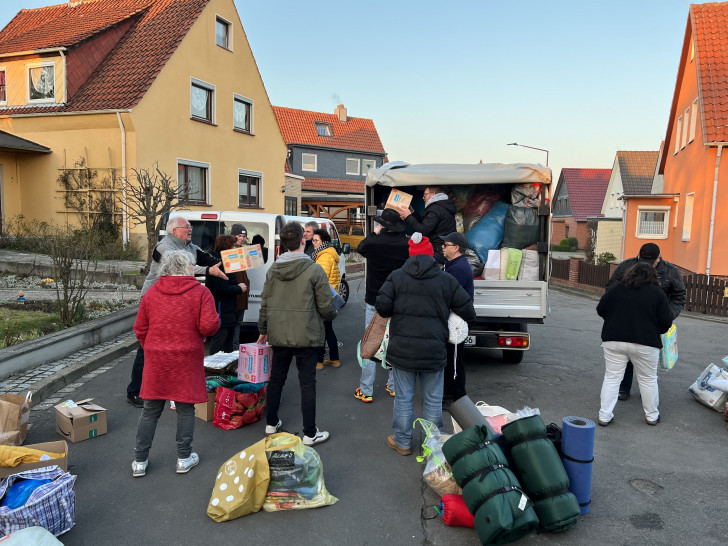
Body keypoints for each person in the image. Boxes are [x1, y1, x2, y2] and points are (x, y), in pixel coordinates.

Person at [376, 233, 475, 455]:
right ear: (431, 254)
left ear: (410, 255)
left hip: (402, 351)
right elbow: (468, 310)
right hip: (434, 351)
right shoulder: (446, 279)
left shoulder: (397, 276)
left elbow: (382, 307)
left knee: (403, 398)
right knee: (433, 399)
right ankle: (432, 446)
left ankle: (402, 442)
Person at [131, 250, 220, 477]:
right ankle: (183, 458)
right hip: (187, 358)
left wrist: (152, 347)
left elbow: (140, 329)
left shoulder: (151, 293)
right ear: (188, 267)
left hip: (156, 359)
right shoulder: (201, 293)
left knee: (150, 410)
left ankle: (140, 461)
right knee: (184, 408)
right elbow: (209, 327)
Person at [126, 216, 227, 408]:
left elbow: (209, 259)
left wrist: (231, 261)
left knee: (173, 347)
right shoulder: (164, 247)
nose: (190, 229)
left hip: (175, 299)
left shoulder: (190, 246)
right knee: (146, 347)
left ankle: (167, 388)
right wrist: (209, 271)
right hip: (156, 298)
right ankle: (135, 391)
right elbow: (181, 266)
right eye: (187, 227)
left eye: (190, 227)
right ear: (175, 231)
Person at [257, 221, 336, 446]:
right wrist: (332, 314)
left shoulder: (273, 269)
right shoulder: (314, 269)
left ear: (283, 244)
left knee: (276, 379)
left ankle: (271, 423)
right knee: (307, 383)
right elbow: (326, 307)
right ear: (303, 240)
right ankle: (310, 434)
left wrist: (263, 330)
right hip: (307, 334)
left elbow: (265, 303)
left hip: (278, 333)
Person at [605, 242, 685, 401]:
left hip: (654, 321)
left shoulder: (671, 271)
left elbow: (678, 296)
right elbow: (610, 289)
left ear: (658, 259)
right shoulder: (626, 266)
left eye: (650, 263)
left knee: (647, 363)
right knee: (625, 357)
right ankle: (624, 388)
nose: (646, 266)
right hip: (626, 320)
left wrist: (667, 316)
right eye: (642, 262)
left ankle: (647, 390)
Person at [596, 261, 673, 427]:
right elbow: (666, 322)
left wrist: (614, 320)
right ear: (653, 276)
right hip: (645, 343)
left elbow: (601, 309)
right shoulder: (658, 293)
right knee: (648, 380)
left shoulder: (617, 289)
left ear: (630, 273)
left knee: (612, 378)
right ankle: (652, 416)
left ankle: (604, 415)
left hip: (613, 340)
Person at [355, 208, 410, 403]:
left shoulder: (375, 242)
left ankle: (366, 390)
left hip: (375, 301)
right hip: (398, 301)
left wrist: (373, 233)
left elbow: (360, 248)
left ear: (382, 226)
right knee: (394, 343)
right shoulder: (406, 244)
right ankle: (394, 386)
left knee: (370, 342)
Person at [441, 231, 475, 406]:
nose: (442, 247)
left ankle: (458, 397)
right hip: (454, 319)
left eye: (445, 245)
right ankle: (449, 392)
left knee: (454, 360)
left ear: (456, 248)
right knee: (451, 357)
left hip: (457, 321)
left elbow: (451, 296)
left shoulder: (459, 269)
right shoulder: (453, 264)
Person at [206, 235, 248, 354]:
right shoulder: (217, 264)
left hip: (228, 310)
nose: (235, 248)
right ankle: (213, 369)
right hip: (221, 310)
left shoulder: (226, 262)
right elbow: (222, 288)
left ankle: (225, 370)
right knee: (220, 341)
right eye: (233, 246)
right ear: (226, 247)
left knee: (228, 342)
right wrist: (238, 288)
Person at [397, 186, 456, 263]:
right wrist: (412, 212)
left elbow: (423, 231)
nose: (423, 198)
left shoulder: (435, 209)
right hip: (443, 247)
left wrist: (408, 217)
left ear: (433, 194)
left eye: (425, 195)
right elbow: (426, 223)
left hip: (438, 250)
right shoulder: (442, 205)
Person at [311, 228, 341, 370]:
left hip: (324, 299)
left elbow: (319, 280)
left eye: (316, 240)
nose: (313, 243)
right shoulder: (327, 254)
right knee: (328, 329)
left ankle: (318, 361)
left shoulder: (324, 257)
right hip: (329, 298)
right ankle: (334, 359)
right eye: (313, 240)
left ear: (323, 242)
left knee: (320, 331)